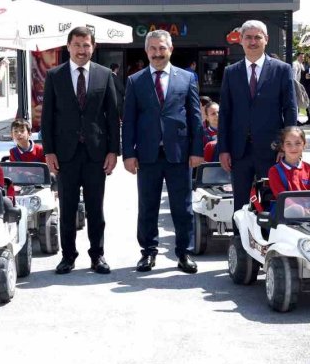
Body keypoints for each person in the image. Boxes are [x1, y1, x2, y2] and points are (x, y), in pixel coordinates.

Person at [122, 30, 203, 273]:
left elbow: (195, 117)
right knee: (147, 206)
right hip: (147, 154)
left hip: (179, 153)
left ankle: (184, 253)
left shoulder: (186, 78)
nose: (157, 53)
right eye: (153, 49)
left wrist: (197, 150)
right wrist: (128, 154)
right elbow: (129, 120)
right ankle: (148, 252)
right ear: (146, 51)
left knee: (183, 206)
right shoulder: (135, 81)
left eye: (162, 48)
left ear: (170, 49)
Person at [41, 26, 120, 275]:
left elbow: (112, 116)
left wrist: (113, 151)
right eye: (77, 45)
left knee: (96, 209)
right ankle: (68, 256)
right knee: (67, 208)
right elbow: (47, 118)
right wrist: (49, 151)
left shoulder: (104, 75)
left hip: (96, 154)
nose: (81, 50)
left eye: (86, 45)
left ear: (93, 47)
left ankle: (98, 255)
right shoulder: (54, 75)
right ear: (68, 47)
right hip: (65, 154)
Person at [219, 19, 297, 211]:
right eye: (248, 37)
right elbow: (225, 113)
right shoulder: (231, 72)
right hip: (239, 151)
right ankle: (240, 232)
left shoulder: (282, 70)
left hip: (272, 150)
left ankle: (269, 231)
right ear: (241, 40)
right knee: (240, 206)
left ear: (266, 39)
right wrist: (223, 149)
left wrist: (286, 145)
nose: (252, 42)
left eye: (257, 37)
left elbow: (290, 109)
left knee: (273, 202)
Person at [267, 127, 310, 198]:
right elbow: (283, 199)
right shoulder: (274, 171)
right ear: (282, 147)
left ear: (304, 145)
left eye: (298, 143)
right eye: (288, 144)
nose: (293, 148)